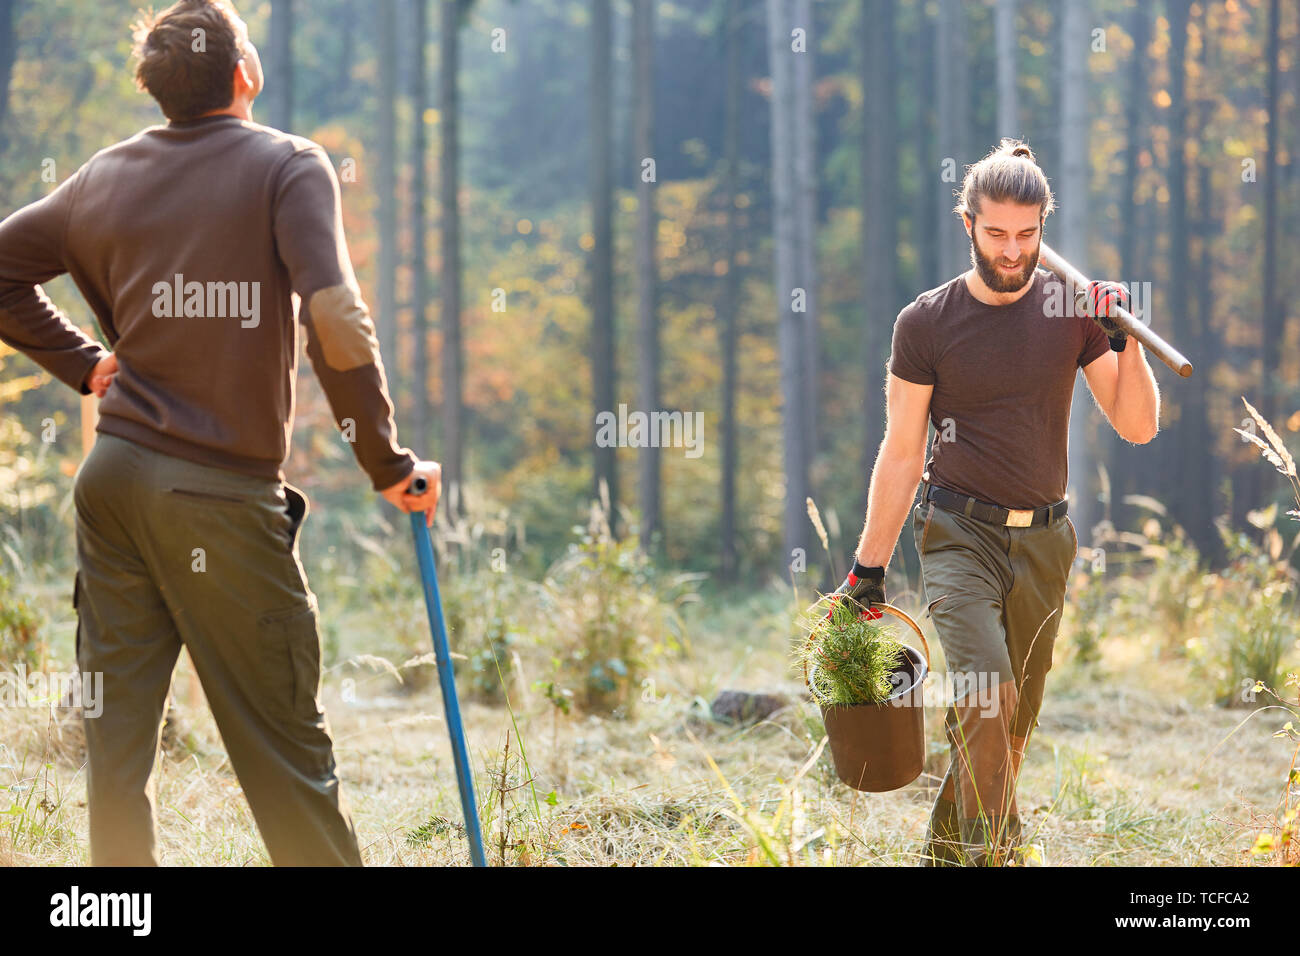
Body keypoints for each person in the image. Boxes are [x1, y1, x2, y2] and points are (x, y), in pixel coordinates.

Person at [0, 0, 439, 865]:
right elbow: (336, 319)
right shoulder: (289, 164)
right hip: (215, 496)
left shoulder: (99, 178)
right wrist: (386, 462)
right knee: (285, 751)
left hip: (113, 484)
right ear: (246, 73)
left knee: (116, 749)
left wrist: (86, 366)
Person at [831, 139, 1160, 866]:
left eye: (1027, 235)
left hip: (1046, 542)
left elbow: (1137, 426)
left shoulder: (1073, 310)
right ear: (968, 223)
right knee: (984, 699)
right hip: (958, 533)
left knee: (1008, 732)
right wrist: (868, 571)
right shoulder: (926, 323)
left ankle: (958, 853)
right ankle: (985, 859)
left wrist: (1122, 340)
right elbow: (900, 452)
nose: (1013, 253)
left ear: (1044, 225)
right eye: (996, 234)